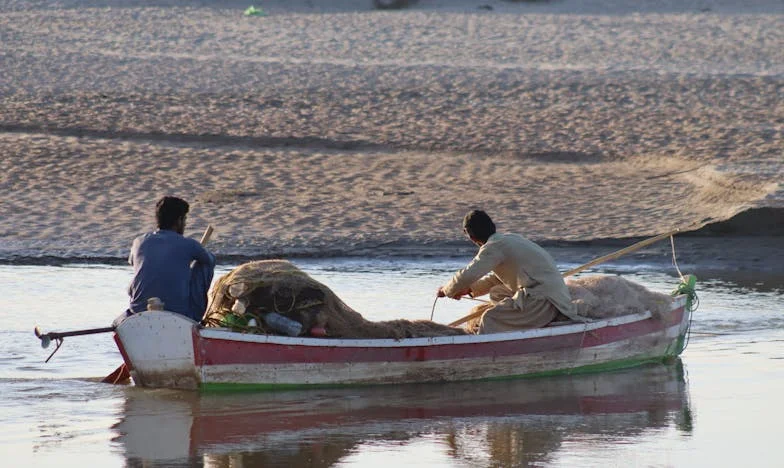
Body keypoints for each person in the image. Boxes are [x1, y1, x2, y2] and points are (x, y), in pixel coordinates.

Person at [437, 210, 577, 334]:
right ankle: (515, 322)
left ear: (471, 237)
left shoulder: (493, 247)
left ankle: (487, 347)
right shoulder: (511, 239)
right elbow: (498, 279)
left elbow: (467, 274)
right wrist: (469, 290)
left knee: (489, 318)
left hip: (545, 301)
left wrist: (446, 290)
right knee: (497, 292)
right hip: (554, 295)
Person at [126, 196, 216, 321]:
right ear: (179, 221)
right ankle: (195, 317)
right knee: (204, 265)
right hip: (179, 313)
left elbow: (132, 261)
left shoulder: (139, 241)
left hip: (137, 311)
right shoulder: (189, 244)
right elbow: (210, 260)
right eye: (184, 220)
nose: (184, 224)